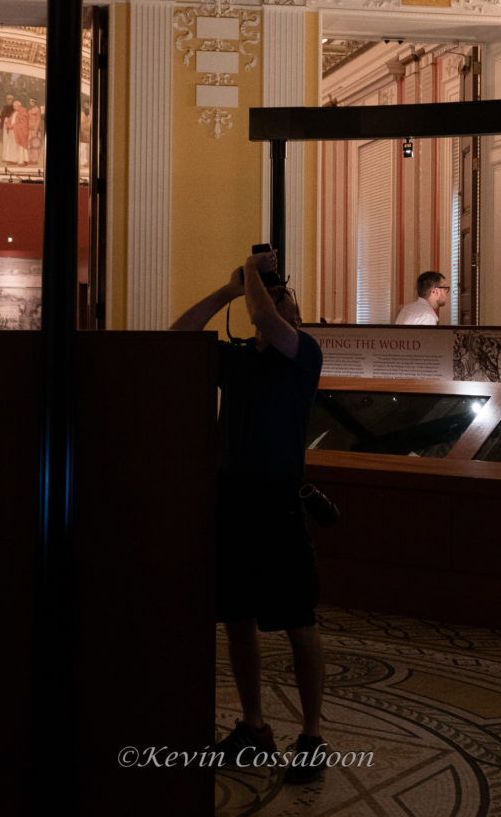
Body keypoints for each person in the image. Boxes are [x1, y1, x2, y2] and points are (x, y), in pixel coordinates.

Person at [171, 248, 327, 783]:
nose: (276, 301)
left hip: (279, 508)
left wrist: (255, 276)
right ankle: (256, 727)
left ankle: (312, 736)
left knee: (299, 624)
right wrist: (229, 289)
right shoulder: (239, 362)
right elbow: (179, 336)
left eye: (287, 298)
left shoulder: (303, 353)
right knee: (237, 619)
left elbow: (267, 318)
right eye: (272, 293)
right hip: (233, 504)